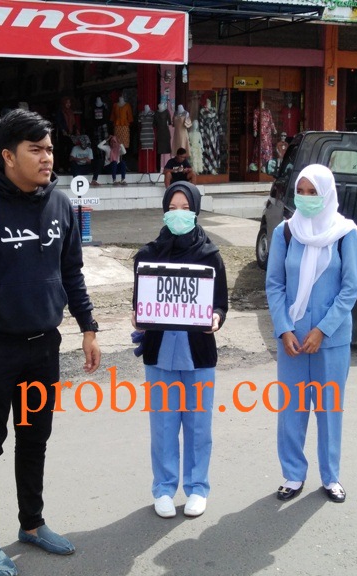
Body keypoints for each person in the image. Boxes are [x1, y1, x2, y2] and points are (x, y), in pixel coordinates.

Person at [0, 108, 101, 576]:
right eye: (36, 150)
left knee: (34, 439)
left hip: (42, 348)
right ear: (9, 156)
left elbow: (71, 272)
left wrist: (87, 327)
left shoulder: (60, 205)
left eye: (49, 149)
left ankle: (32, 522)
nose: (48, 158)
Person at [265, 164, 357, 505]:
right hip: (292, 340)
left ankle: (331, 476)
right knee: (291, 411)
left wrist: (323, 329)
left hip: (330, 341)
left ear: (327, 194)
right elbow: (275, 284)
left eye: (313, 192)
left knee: (329, 410)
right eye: (301, 192)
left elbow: (350, 289)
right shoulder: (286, 232)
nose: (306, 199)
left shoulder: (345, 234)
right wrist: (283, 328)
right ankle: (293, 474)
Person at [132, 181, 228, 519]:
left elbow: (221, 304)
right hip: (160, 354)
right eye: (172, 208)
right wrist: (138, 318)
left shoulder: (210, 256)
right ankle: (163, 488)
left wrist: (216, 317)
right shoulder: (147, 255)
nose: (178, 214)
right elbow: (139, 305)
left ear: (196, 211)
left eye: (185, 208)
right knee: (163, 426)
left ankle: (197, 488)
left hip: (198, 354)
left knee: (199, 426)